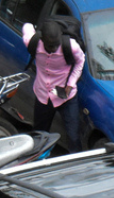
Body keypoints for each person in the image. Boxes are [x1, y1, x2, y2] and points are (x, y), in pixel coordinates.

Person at [22, 19, 85, 151]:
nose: (53, 49)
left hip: (67, 97)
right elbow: (27, 25)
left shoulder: (71, 46)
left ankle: (76, 164)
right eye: (50, 46)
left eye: (56, 45)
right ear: (42, 39)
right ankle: (38, 162)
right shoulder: (32, 42)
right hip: (43, 96)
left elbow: (80, 61)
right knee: (39, 135)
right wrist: (34, 27)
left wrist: (71, 83)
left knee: (74, 136)